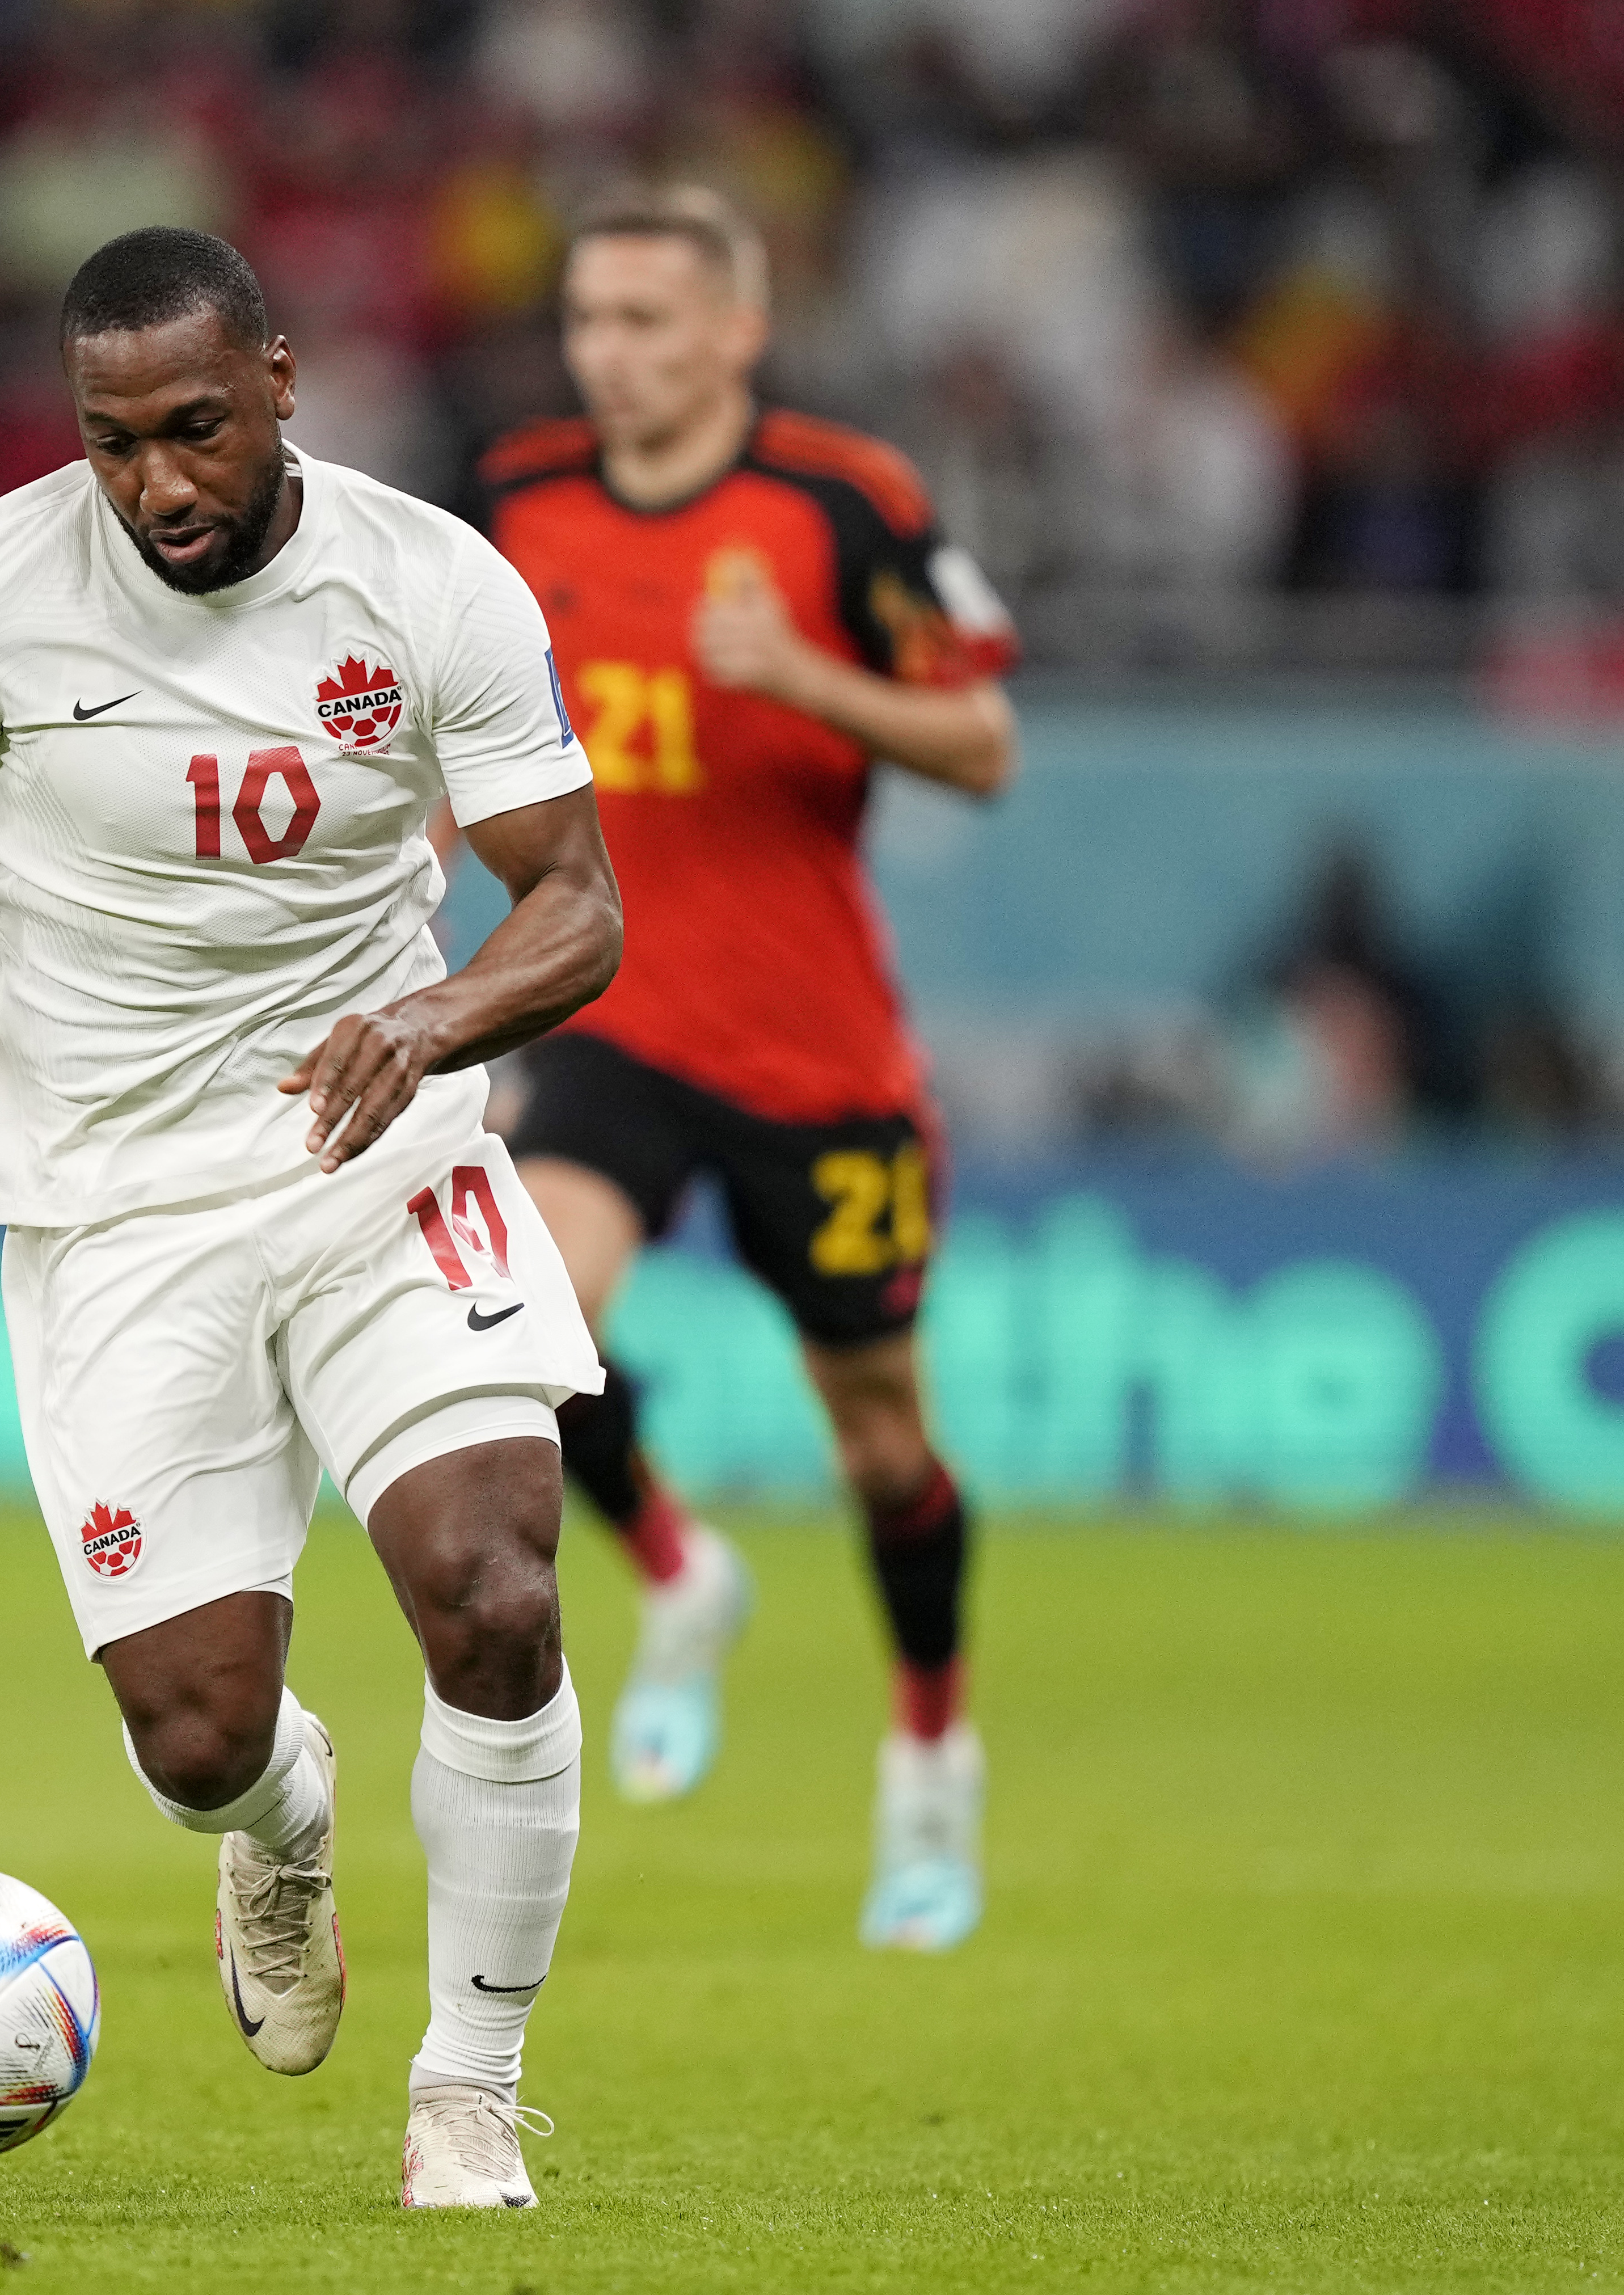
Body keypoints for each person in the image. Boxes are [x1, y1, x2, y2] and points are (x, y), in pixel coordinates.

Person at [0, 226, 622, 2210]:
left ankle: (470, 2093)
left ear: (279, 383)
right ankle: (288, 1820)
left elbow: (575, 901)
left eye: (191, 428)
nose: (156, 481)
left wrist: (432, 1014)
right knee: (194, 1737)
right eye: (110, 441)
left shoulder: (432, 588)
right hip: (110, 1206)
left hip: (376, 1152)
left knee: (499, 1593)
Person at [483, 184, 1020, 1950]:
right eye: (590, 321)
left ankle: (930, 1762)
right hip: (609, 1012)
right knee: (526, 1320)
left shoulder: (842, 505)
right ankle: (675, 1569)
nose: (613, 355)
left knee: (883, 1449)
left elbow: (985, 746)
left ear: (736, 331)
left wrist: (801, 670)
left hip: (815, 1055)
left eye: (650, 321)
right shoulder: (518, 502)